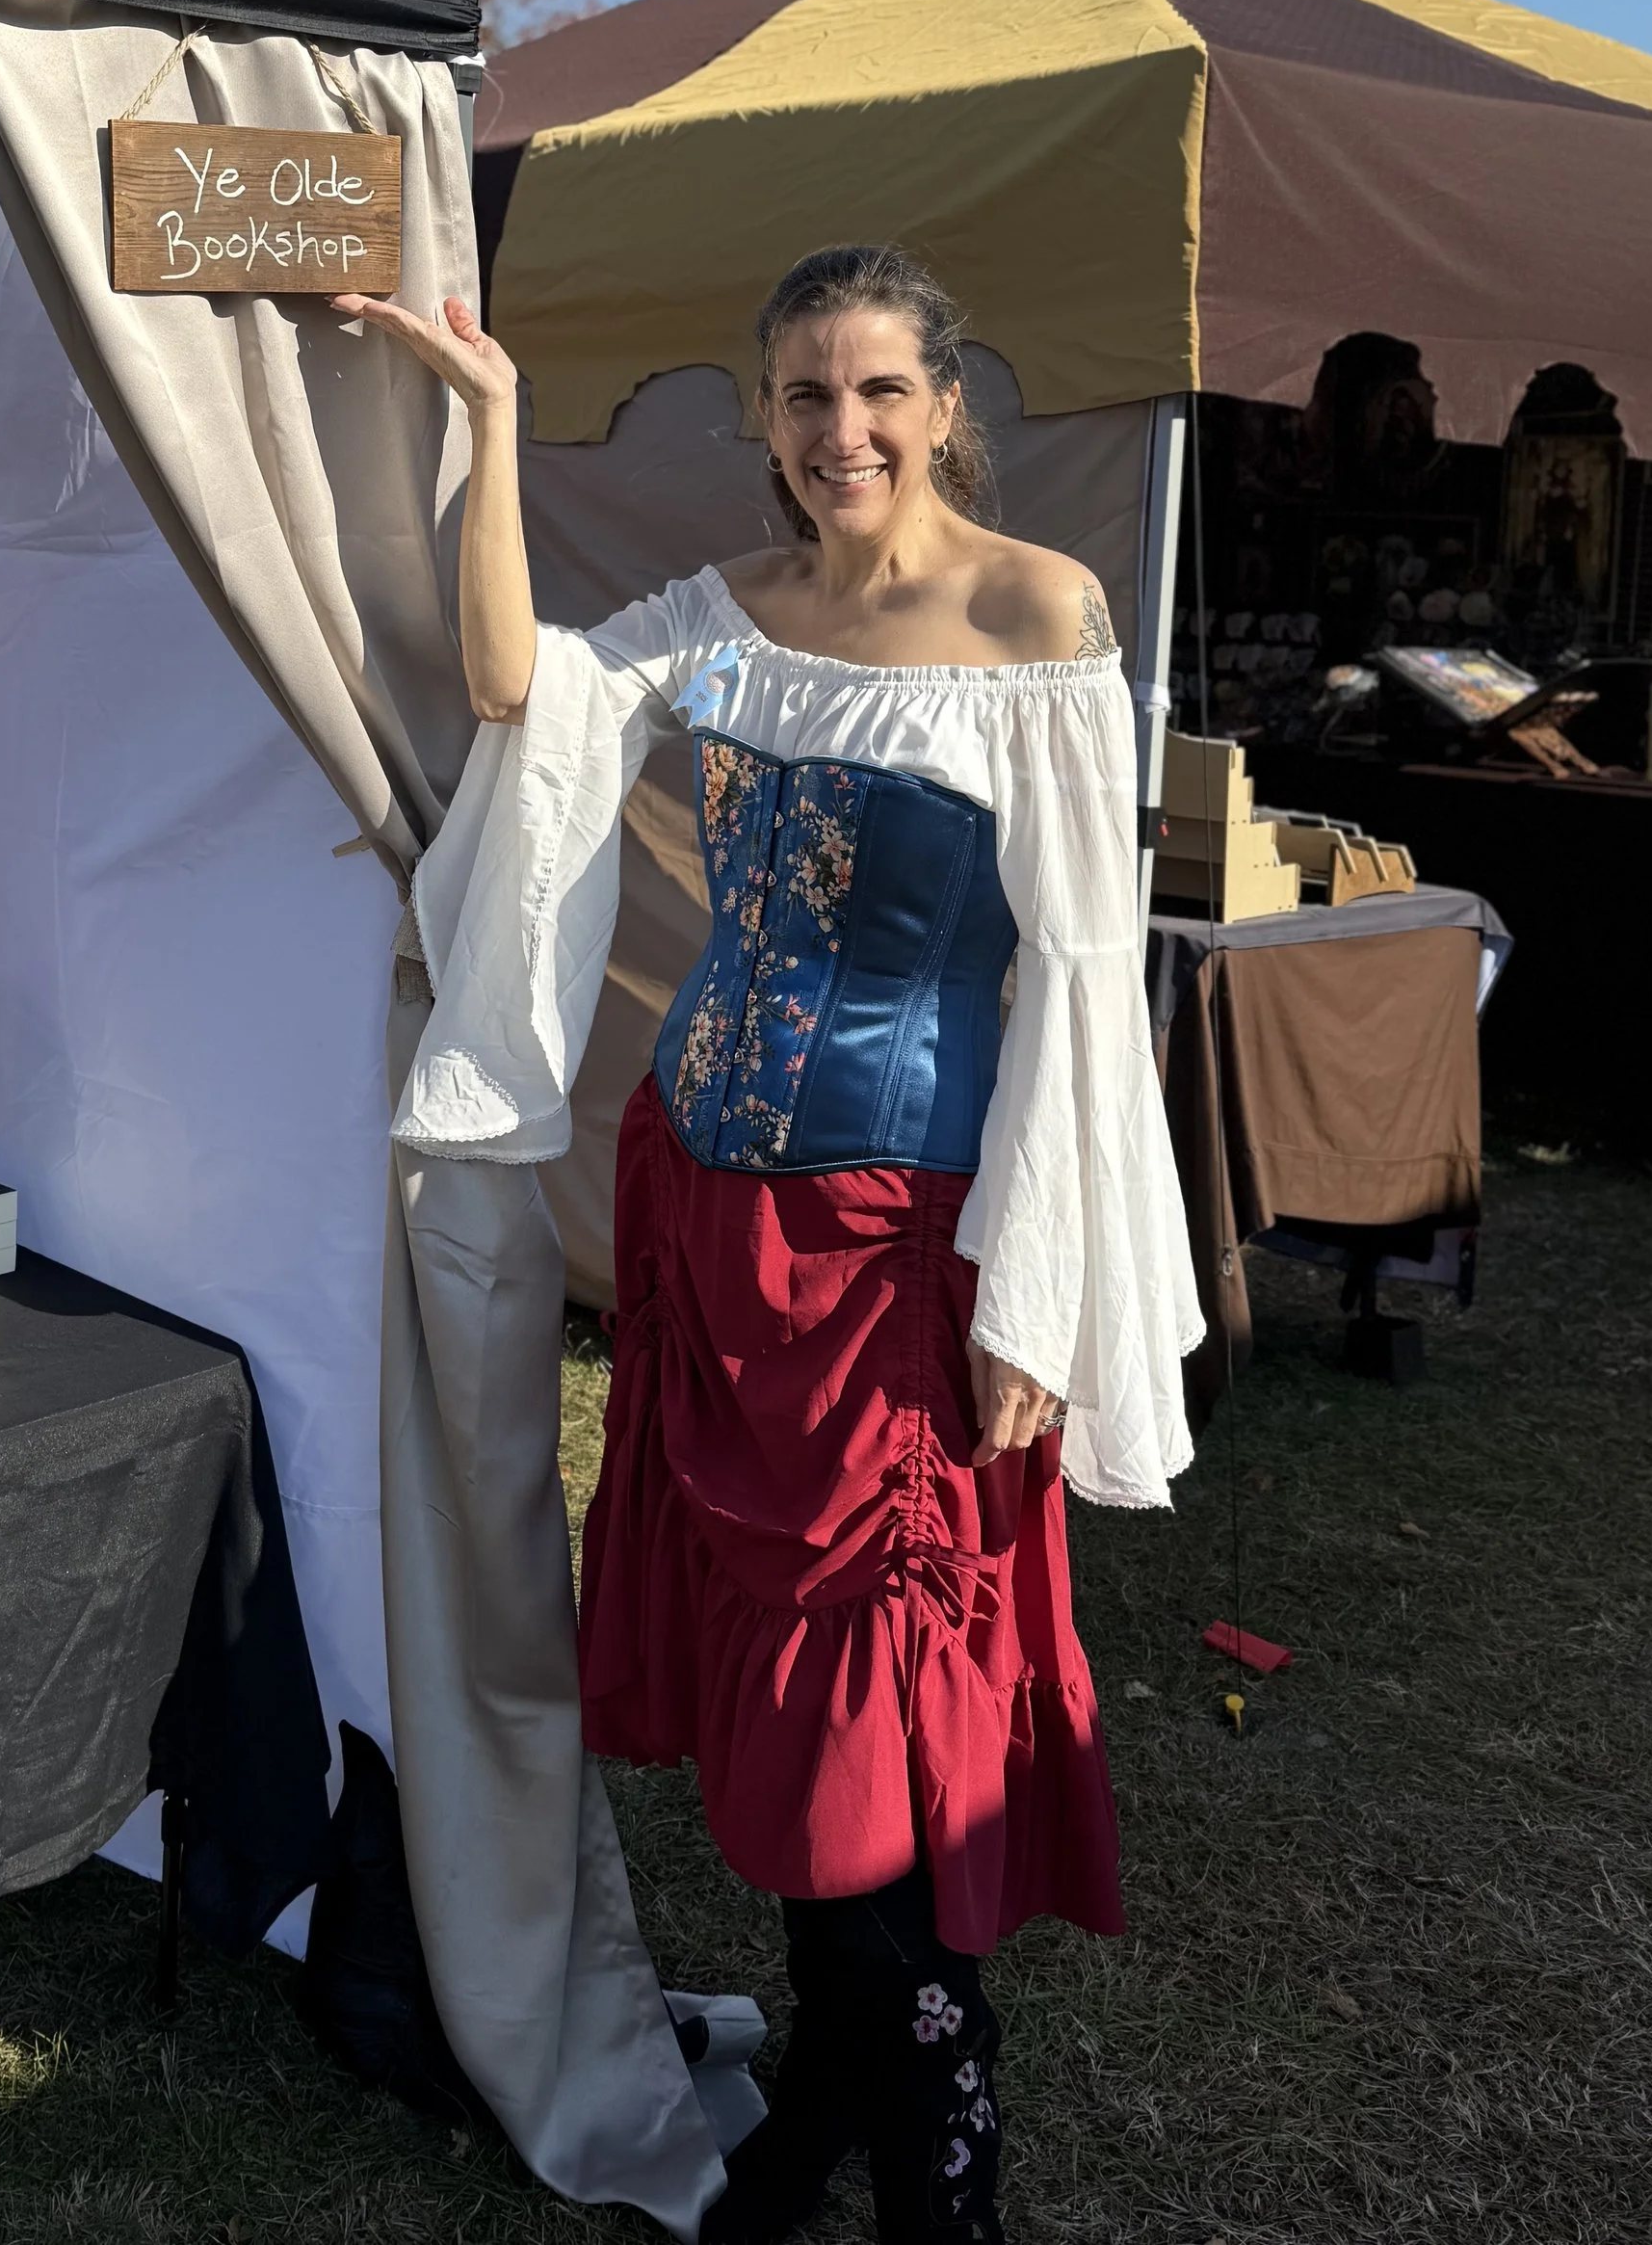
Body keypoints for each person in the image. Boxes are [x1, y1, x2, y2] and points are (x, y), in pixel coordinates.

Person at [338, 243, 1202, 2245]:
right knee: (774, 1711)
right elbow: (515, 691)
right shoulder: (725, 623)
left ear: (944, 399)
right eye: (802, 397)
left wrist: (1043, 1289)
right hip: (707, 1228)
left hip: (903, 1251)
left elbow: (1079, 974)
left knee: (877, 1715)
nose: (842, 434)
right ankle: (822, 2097)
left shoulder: (1034, 612)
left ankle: (929, 2178)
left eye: (878, 391)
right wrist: (483, 420)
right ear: (760, 414)